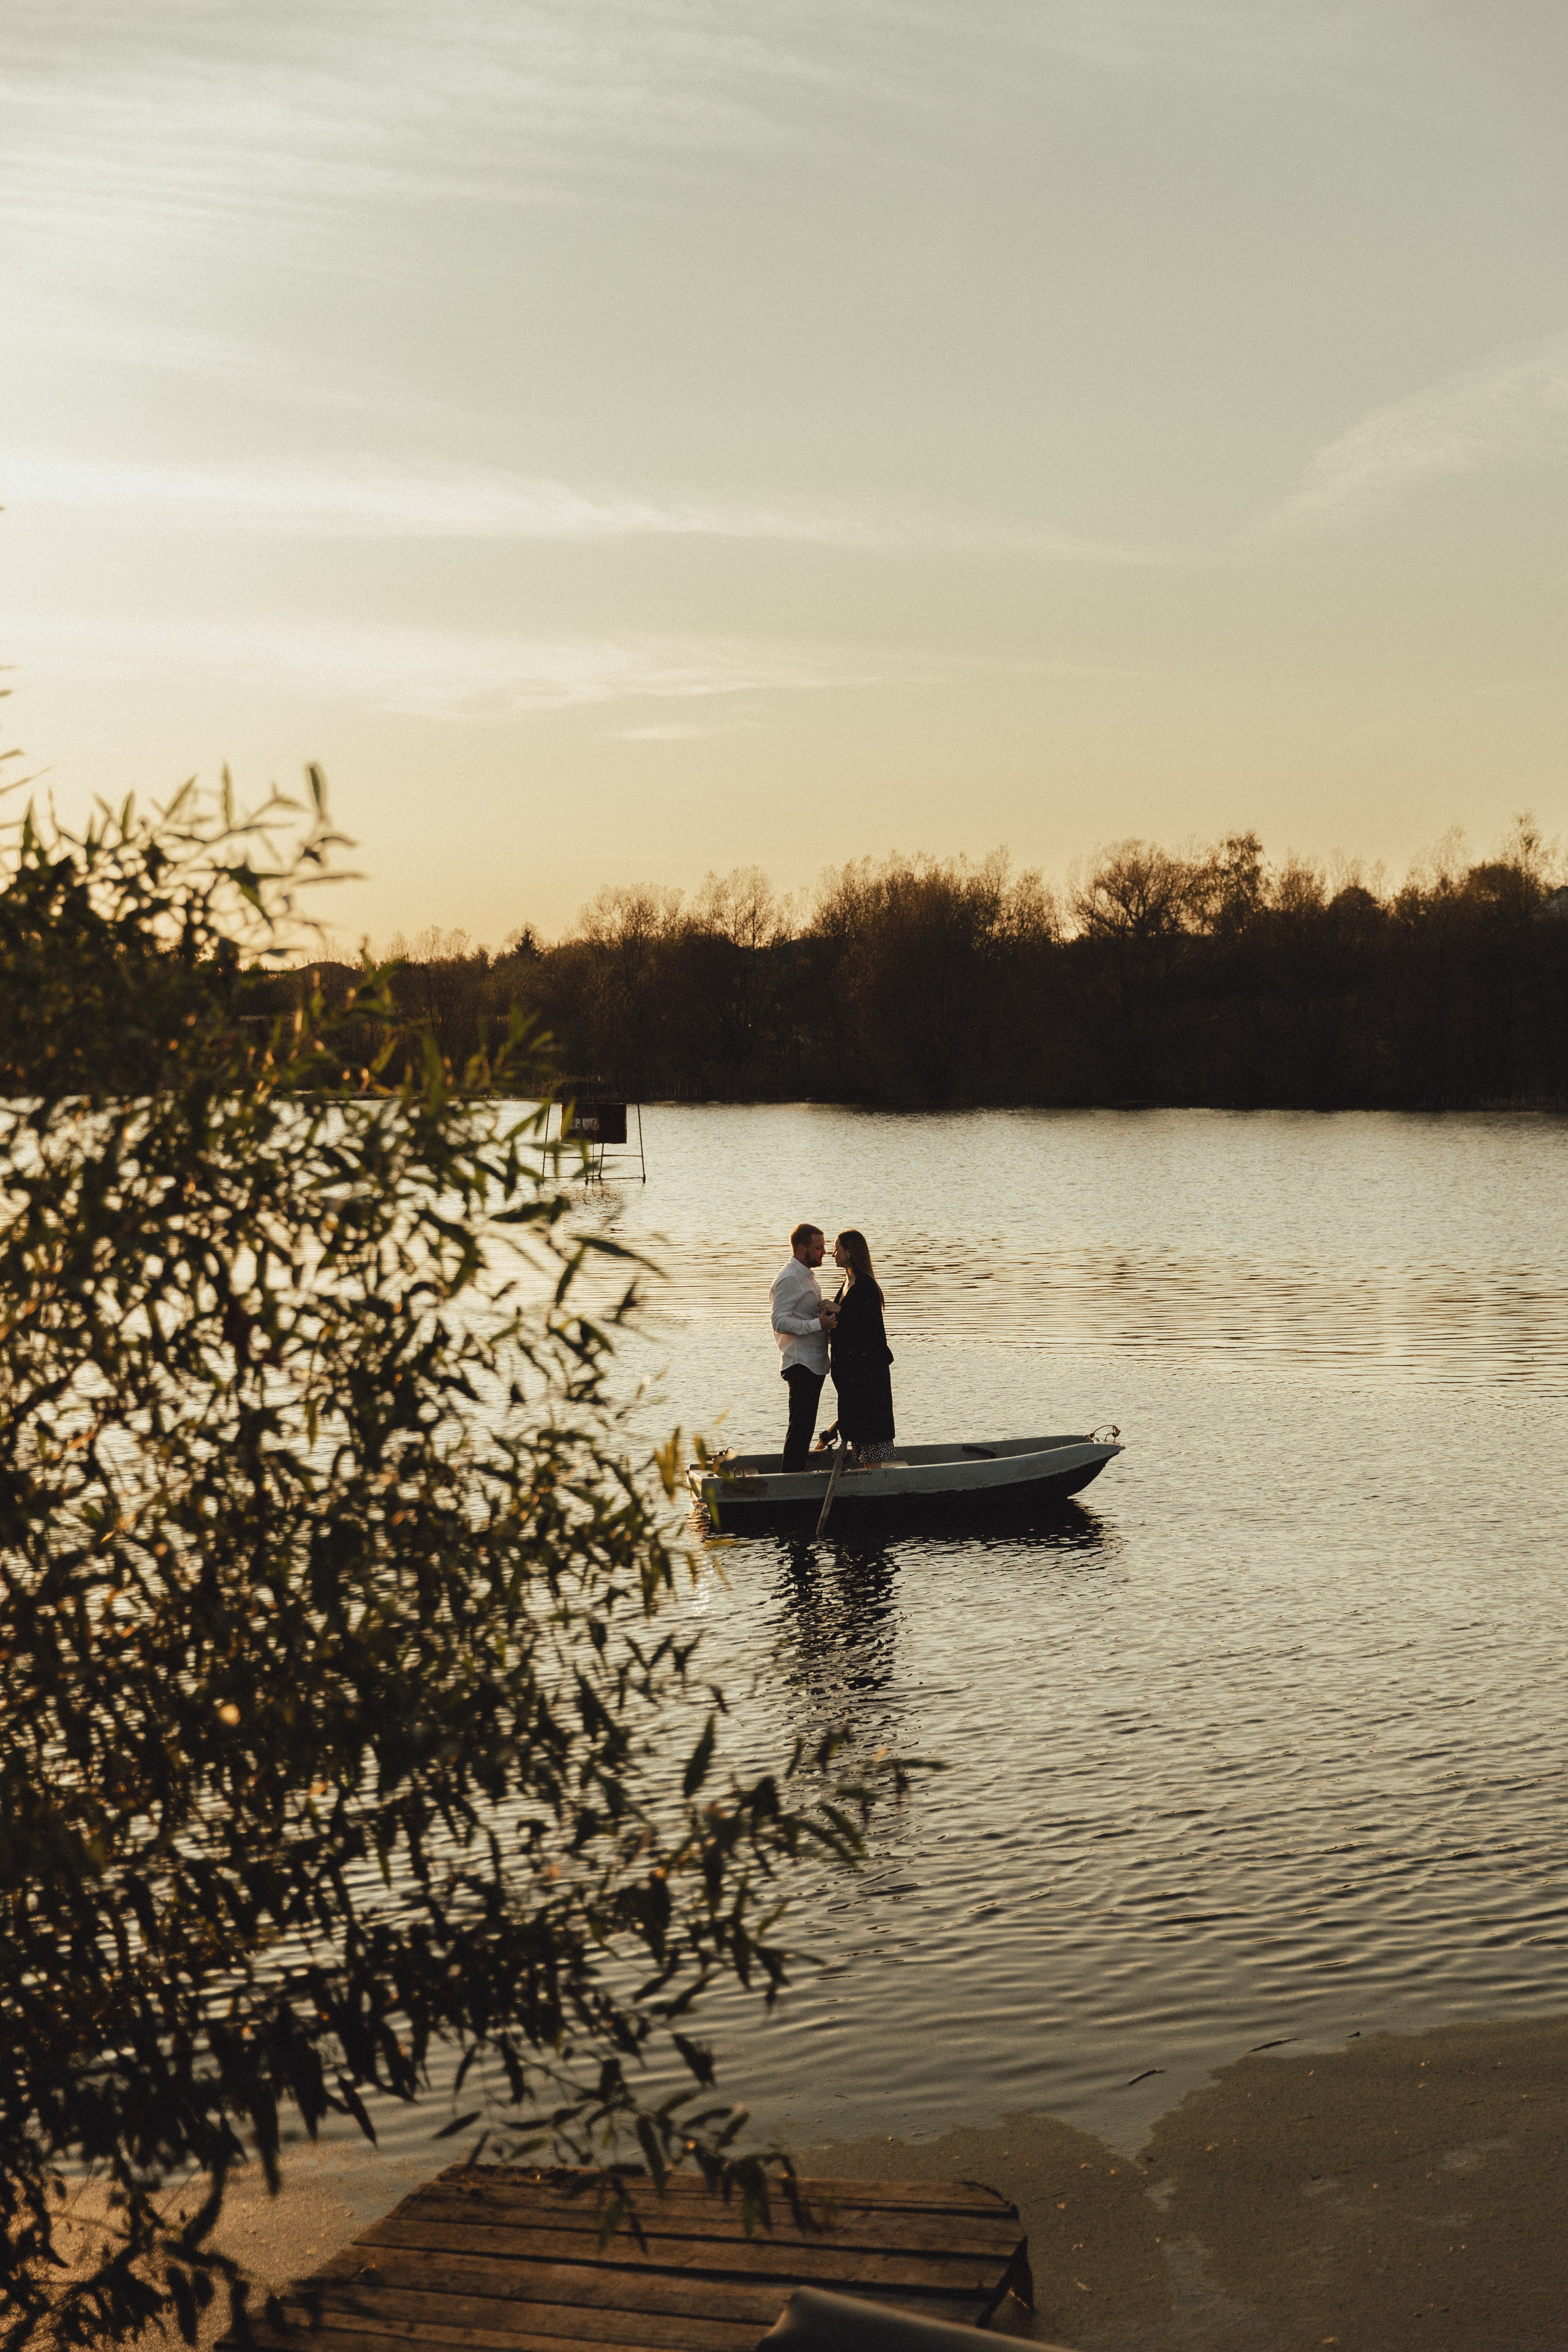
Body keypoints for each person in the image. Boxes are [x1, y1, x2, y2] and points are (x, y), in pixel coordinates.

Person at [770, 1222, 837, 1471]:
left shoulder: (806, 1276)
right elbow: (778, 1321)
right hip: (800, 1363)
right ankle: (791, 1478)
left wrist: (826, 1325)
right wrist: (817, 1324)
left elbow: (806, 1317)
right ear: (801, 1248)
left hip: (814, 1363)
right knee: (800, 1427)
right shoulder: (789, 1278)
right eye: (818, 1247)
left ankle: (794, 1474)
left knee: (805, 1426)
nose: (824, 1252)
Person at [827, 1229, 897, 1463]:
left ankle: (874, 1477)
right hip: (851, 1374)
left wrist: (839, 1311)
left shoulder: (866, 1286)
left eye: (837, 1249)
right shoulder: (847, 1283)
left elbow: (866, 1327)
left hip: (868, 1373)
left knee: (871, 1429)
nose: (833, 1253)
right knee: (856, 1428)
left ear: (850, 1251)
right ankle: (865, 1470)